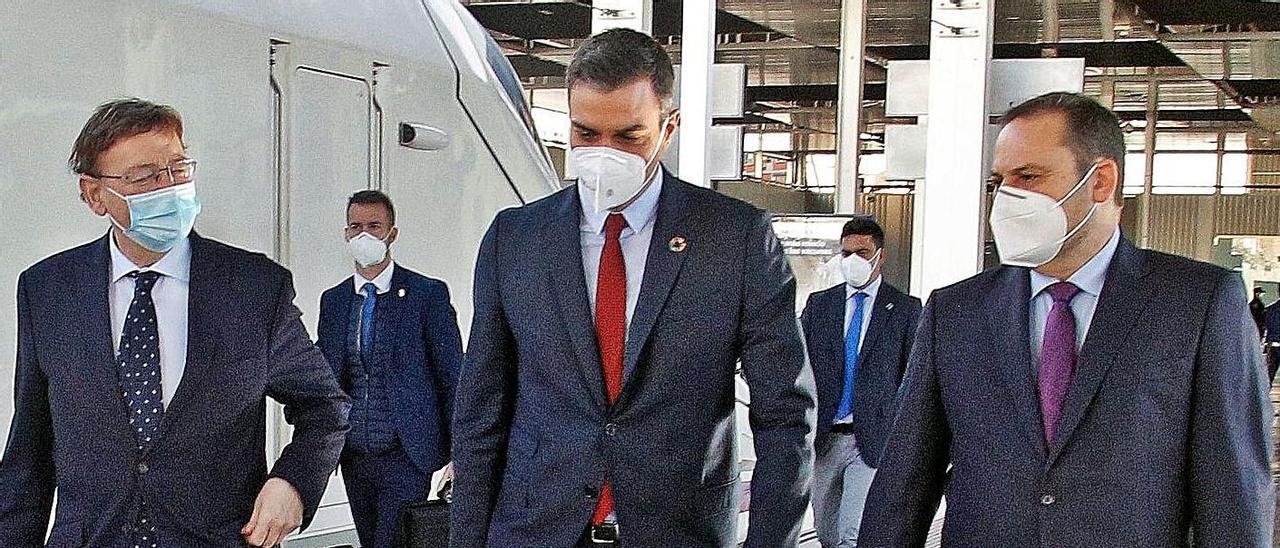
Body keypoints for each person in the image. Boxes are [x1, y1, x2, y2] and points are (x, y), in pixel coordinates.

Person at [451, 28, 816, 548]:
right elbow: (480, 410)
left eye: (629, 137)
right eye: (584, 133)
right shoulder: (516, 239)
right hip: (536, 530)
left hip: (679, 532)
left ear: (668, 128)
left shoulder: (735, 240)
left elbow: (785, 416)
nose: (603, 153)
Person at [860, 92, 1275, 547]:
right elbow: (905, 482)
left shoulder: (1197, 303)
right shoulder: (957, 312)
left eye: (1029, 177)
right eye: (1000, 180)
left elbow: (1232, 491)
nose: (1007, 197)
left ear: (1101, 181)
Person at [0, 98, 350, 547]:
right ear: (94, 195)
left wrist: (293, 484)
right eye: (144, 176)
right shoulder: (48, 290)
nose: (168, 187)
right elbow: (29, 447)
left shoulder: (254, 288)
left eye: (178, 168)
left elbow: (325, 406)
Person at [317, 190, 463, 547]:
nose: (363, 234)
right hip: (354, 456)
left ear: (391, 234)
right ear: (346, 234)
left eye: (374, 226)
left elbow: (453, 376)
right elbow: (323, 374)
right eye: (356, 226)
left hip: (406, 453)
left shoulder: (426, 295)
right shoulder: (334, 301)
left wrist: (461, 451)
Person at [800, 217, 920, 548]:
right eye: (847, 252)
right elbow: (799, 364)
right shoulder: (820, 305)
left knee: (851, 534)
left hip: (870, 439)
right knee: (826, 531)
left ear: (881, 256)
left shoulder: (906, 310)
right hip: (825, 437)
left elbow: (913, 376)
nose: (854, 260)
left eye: (863, 252)